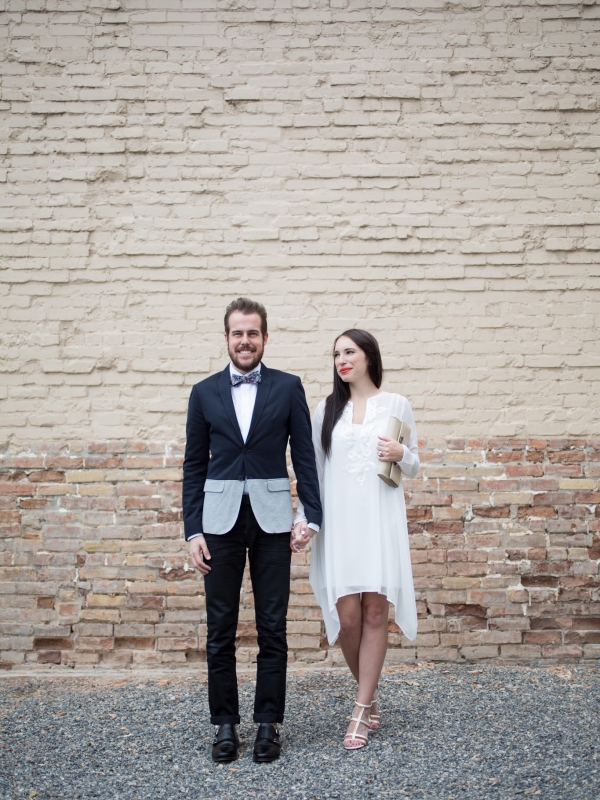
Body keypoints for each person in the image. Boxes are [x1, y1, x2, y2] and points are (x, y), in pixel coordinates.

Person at [183, 298, 322, 764]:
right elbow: (193, 466)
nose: (245, 341)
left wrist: (309, 515)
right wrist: (192, 530)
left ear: (265, 337)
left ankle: (268, 725)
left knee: (272, 627)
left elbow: (304, 457)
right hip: (219, 523)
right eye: (238, 333)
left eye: (253, 333)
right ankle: (225, 725)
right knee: (219, 628)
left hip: (272, 520)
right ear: (226, 338)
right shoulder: (203, 392)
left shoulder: (287, 388)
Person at [293, 329, 419, 750]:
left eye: (349, 351)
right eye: (335, 354)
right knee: (347, 618)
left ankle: (361, 709)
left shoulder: (396, 404)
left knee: (375, 615)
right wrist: (305, 519)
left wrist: (403, 456)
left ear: (368, 355)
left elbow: (414, 463)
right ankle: (370, 691)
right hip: (340, 524)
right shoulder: (325, 409)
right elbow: (314, 473)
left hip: (379, 520)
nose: (341, 359)